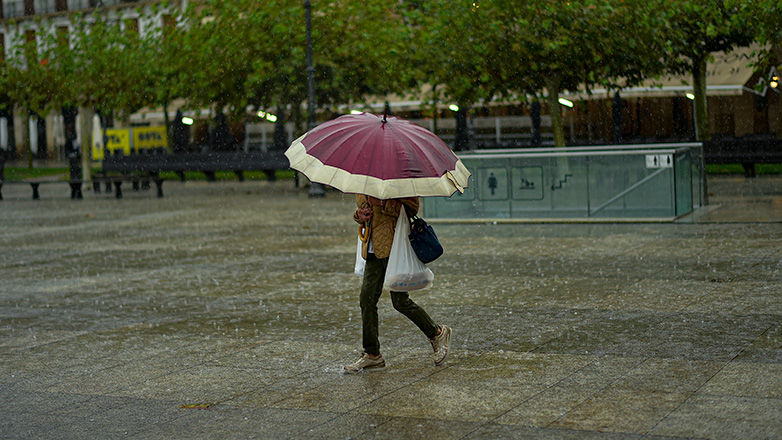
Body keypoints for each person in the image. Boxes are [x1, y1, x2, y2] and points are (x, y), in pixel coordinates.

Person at [344, 194, 451, 373]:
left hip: (393, 245)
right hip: (372, 247)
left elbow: (412, 207)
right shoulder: (364, 180)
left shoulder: (397, 177)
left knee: (400, 301)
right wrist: (359, 215)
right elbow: (363, 212)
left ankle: (437, 333)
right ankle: (372, 355)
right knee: (367, 299)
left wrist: (383, 204)